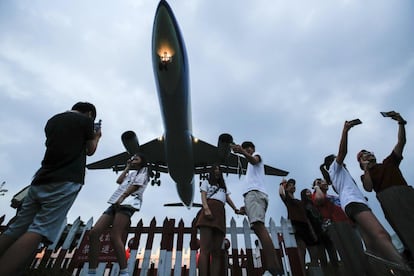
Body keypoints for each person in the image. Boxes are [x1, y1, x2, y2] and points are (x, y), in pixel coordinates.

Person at [0, 102, 101, 275]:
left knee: (16, 228)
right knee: (39, 229)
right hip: (65, 181)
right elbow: (90, 150)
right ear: (90, 114)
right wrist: (97, 136)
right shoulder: (86, 122)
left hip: (41, 179)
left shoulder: (53, 121)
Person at [322, 120, 409, 272]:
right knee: (382, 235)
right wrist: (345, 131)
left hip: (352, 206)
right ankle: (405, 268)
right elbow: (343, 152)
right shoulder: (334, 169)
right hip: (355, 204)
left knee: (371, 246)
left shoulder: (341, 177)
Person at [357, 112, 414, 260]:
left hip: (406, 195)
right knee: (405, 231)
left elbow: (401, 141)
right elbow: (368, 188)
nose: (368, 154)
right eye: (364, 155)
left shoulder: (389, 162)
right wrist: (366, 168)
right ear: (361, 162)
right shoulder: (365, 175)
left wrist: (401, 123)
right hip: (389, 203)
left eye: (369, 152)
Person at [87, 153, 149, 276]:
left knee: (115, 235)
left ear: (142, 162)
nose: (132, 160)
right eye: (132, 158)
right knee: (94, 233)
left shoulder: (144, 172)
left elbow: (136, 186)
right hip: (115, 203)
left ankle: (124, 271)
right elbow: (119, 180)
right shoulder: (131, 174)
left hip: (128, 203)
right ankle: (92, 271)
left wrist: (123, 196)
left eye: (136, 158)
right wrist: (127, 167)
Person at [232, 141, 283, 276]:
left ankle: (274, 269)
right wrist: (246, 207)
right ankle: (275, 268)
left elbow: (255, 160)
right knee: (257, 228)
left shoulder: (256, 155)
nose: (247, 150)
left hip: (255, 194)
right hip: (253, 196)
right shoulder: (251, 170)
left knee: (259, 227)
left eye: (248, 148)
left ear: (253, 148)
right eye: (244, 148)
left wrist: (242, 152)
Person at [196, 165, 239, 276]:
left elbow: (227, 199)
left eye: (219, 169)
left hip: (220, 214)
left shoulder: (223, 187)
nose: (217, 171)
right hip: (209, 210)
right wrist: (206, 209)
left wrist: (235, 209)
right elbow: (203, 195)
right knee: (204, 250)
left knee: (216, 252)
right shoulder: (206, 182)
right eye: (215, 169)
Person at [279, 178, 318, 275]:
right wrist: (282, 184)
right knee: (302, 251)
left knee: (314, 252)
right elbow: (281, 193)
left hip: (305, 225)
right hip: (297, 224)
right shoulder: (288, 199)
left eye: (293, 184)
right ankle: (302, 273)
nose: (293, 186)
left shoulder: (299, 201)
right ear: (286, 188)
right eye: (290, 185)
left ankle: (313, 271)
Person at [300, 188, 330, 270]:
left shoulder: (315, 202)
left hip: (323, 228)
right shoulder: (305, 205)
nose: (309, 192)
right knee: (321, 255)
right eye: (307, 192)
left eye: (309, 191)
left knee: (331, 252)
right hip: (316, 231)